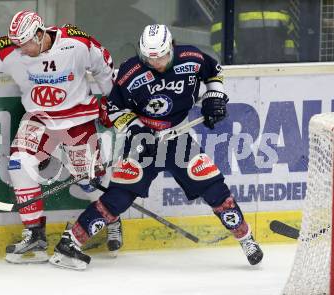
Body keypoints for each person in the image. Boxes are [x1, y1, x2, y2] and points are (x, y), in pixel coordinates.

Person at [49, 24, 264, 270]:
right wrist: (136, 130)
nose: (156, 63)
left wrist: (214, 97)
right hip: (142, 141)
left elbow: (213, 72)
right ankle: (70, 243)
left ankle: (246, 239)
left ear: (171, 48)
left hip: (178, 138)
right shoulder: (131, 71)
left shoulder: (191, 58)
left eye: (161, 56)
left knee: (213, 187)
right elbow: (113, 108)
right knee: (119, 197)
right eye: (149, 58)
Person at [0, 10, 123, 263]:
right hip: (39, 118)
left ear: (41, 34)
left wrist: (111, 101)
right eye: (18, 44)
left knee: (90, 181)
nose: (23, 49)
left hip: (78, 119)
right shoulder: (14, 47)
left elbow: (104, 66)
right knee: (19, 164)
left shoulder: (76, 43)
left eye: (27, 43)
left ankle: (113, 219)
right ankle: (35, 233)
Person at [211, 0, 298, 64]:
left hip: (276, 71)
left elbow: (288, 37)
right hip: (243, 73)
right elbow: (218, 36)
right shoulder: (233, 3)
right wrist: (235, 62)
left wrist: (289, 61)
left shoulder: (280, 4)